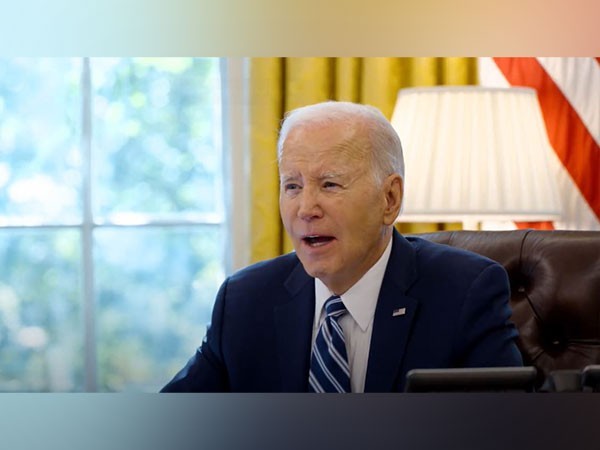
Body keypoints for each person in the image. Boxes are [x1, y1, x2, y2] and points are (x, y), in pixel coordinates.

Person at [161, 101, 522, 393]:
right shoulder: (244, 300)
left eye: (330, 184)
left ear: (390, 199)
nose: (306, 209)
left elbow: (507, 432)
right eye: (292, 186)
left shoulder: (465, 293)